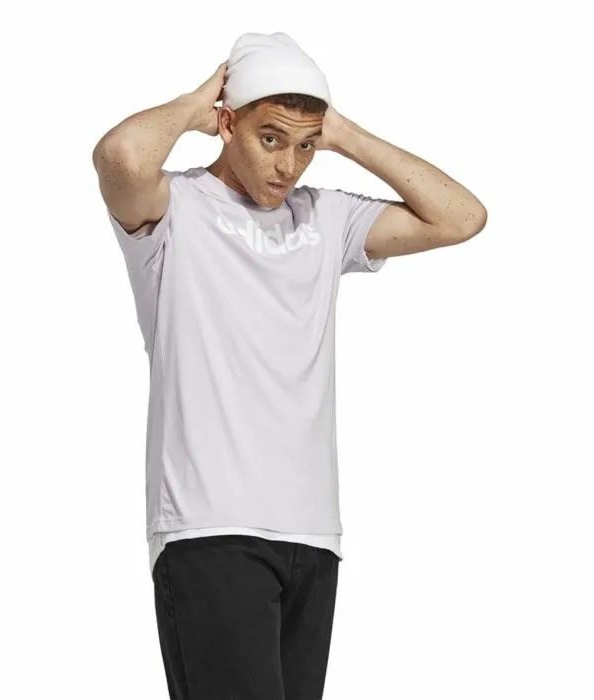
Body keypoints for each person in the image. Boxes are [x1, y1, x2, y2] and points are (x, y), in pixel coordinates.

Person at [92, 31, 487, 700]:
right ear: (228, 124)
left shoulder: (326, 218)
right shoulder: (174, 210)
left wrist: (345, 135)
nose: (288, 166)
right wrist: (193, 106)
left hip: (312, 534)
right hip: (211, 528)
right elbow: (121, 156)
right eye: (270, 138)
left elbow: (463, 217)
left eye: (304, 146)